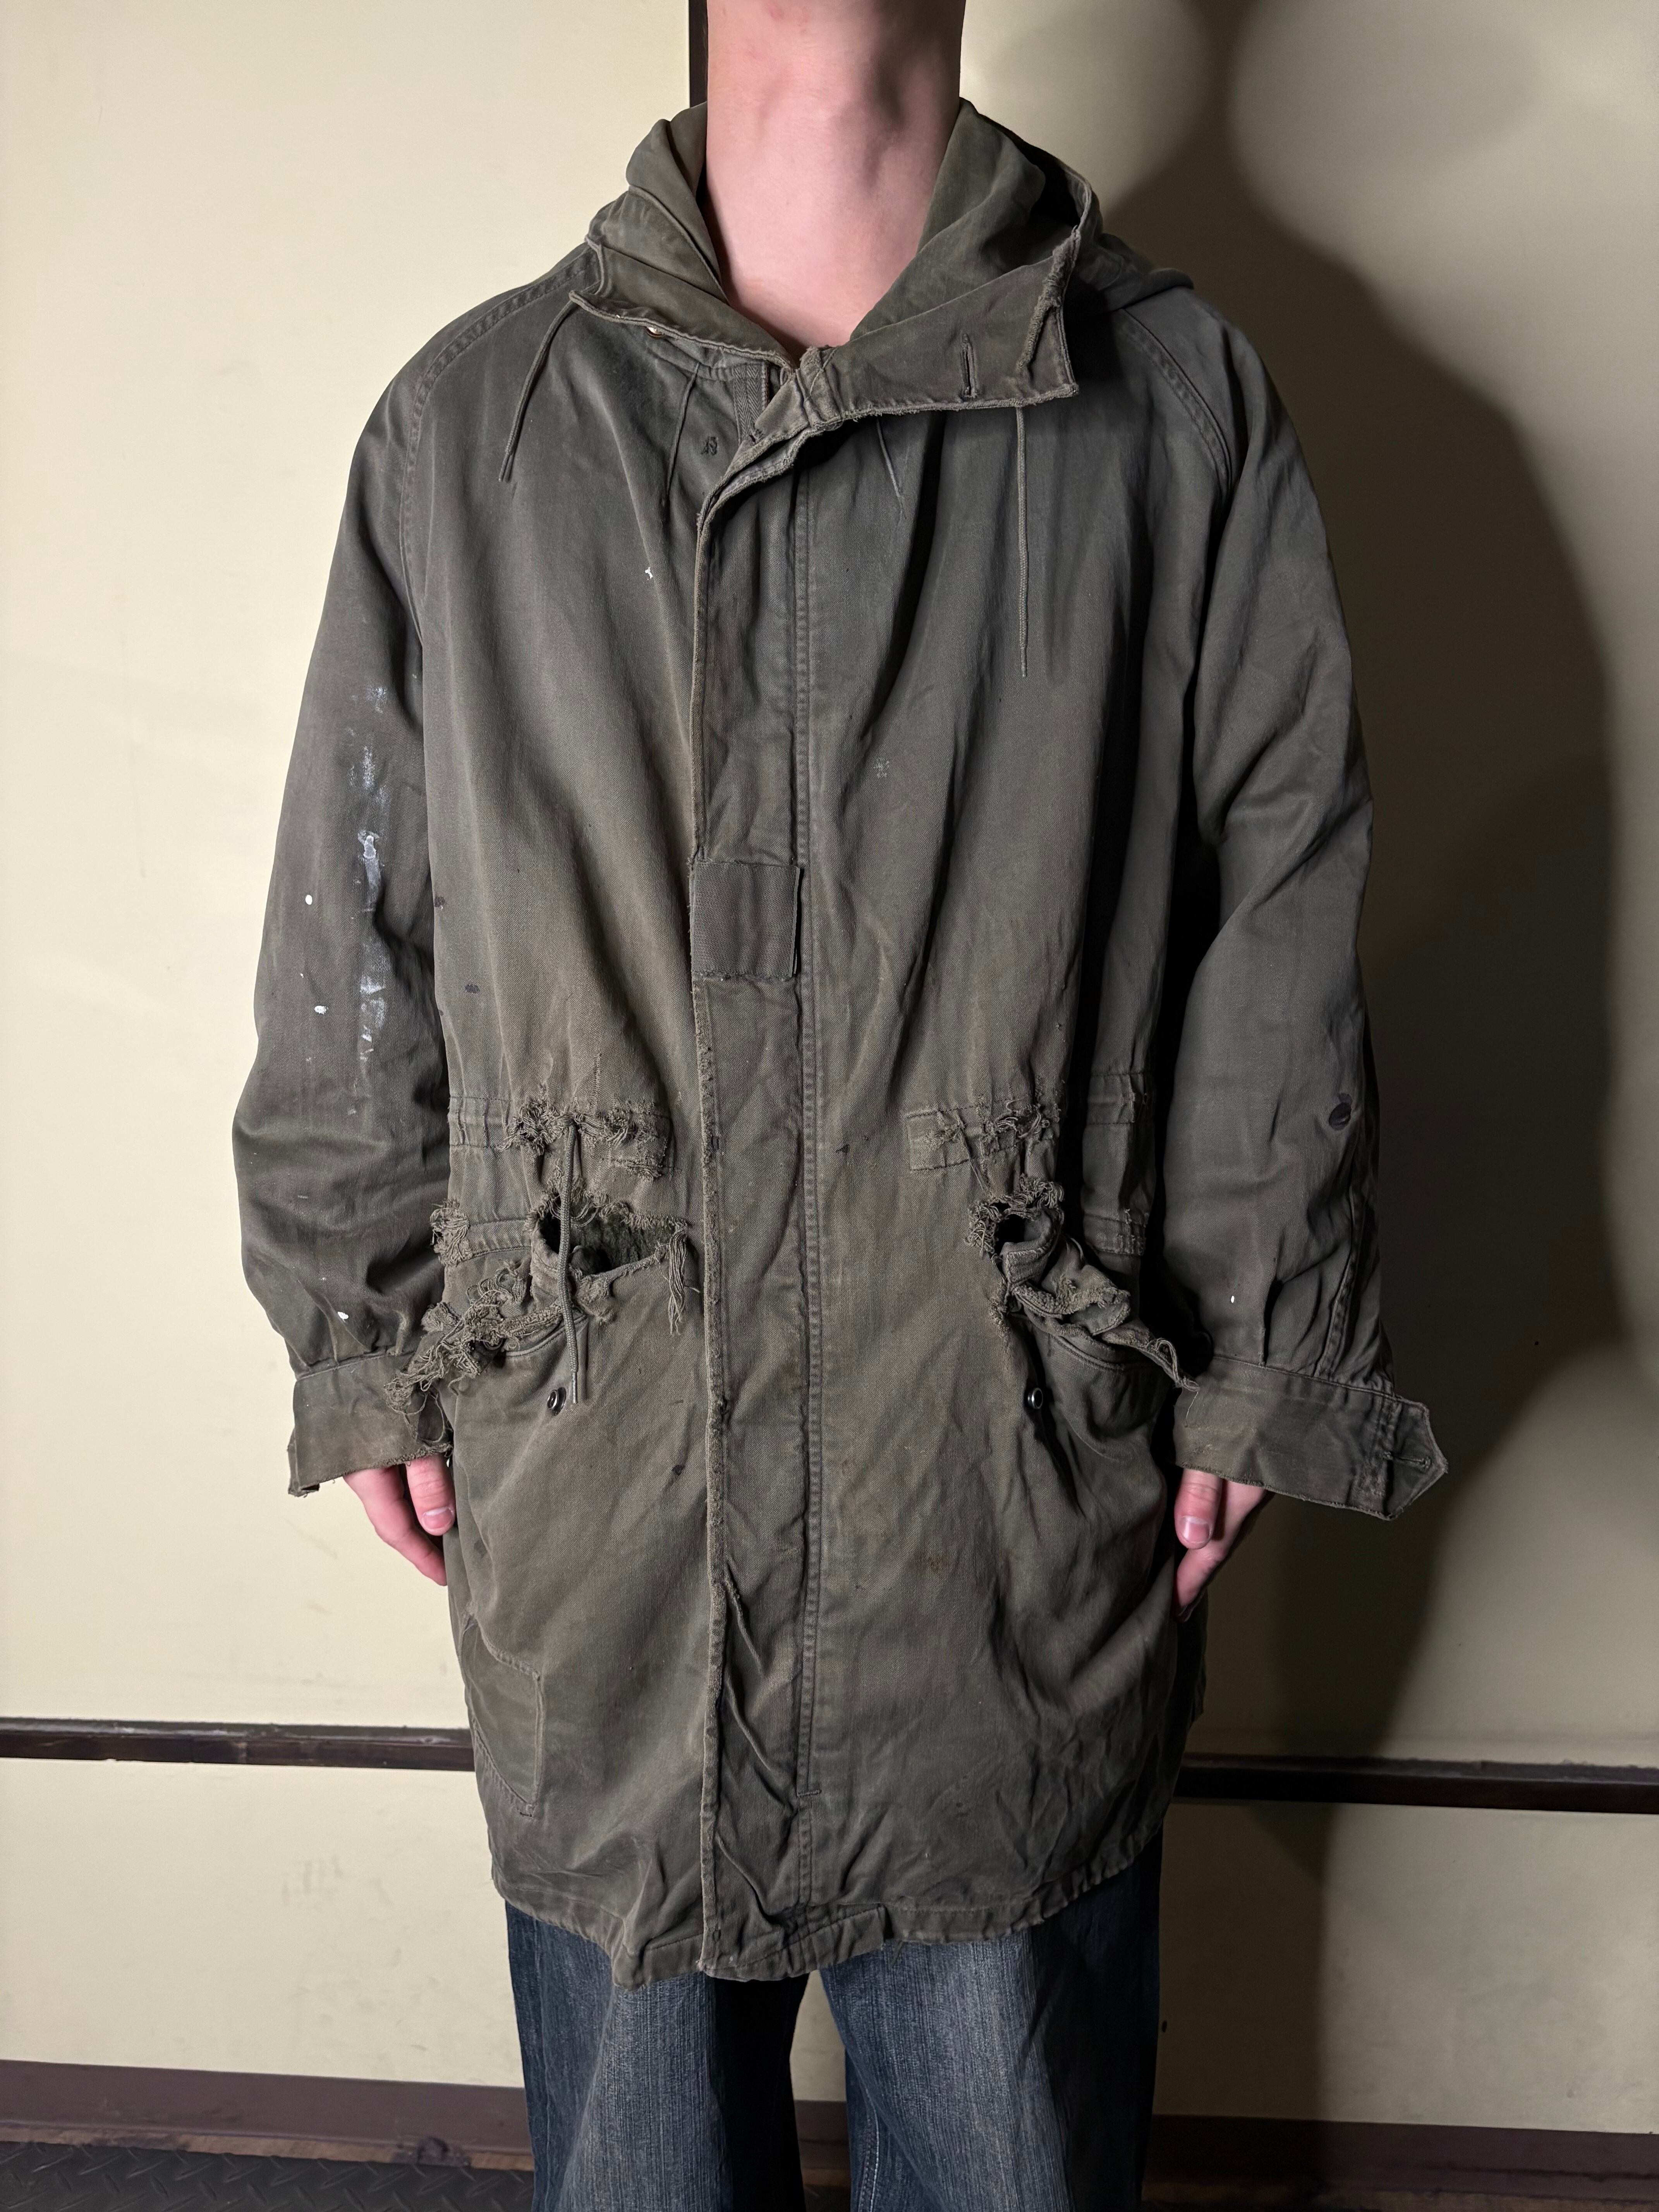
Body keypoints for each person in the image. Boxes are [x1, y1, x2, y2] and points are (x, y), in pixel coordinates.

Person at [233, 1, 1446, 2204]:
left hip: (1002, 1482)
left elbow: (1277, 902)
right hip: (604, 1479)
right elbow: (358, 903)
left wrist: (1265, 1353)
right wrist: (362, 1332)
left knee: (1008, 2144)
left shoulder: (1171, 400)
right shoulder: (476, 423)